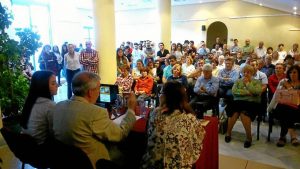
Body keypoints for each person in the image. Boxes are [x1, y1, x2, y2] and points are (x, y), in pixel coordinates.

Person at [52, 71, 137, 169]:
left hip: (65, 162)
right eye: (99, 88)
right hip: (95, 163)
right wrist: (131, 110)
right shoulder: (96, 113)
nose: (100, 91)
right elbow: (120, 134)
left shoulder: (58, 106)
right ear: (90, 92)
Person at [140, 81, 205, 169]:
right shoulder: (189, 119)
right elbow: (199, 139)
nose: (159, 95)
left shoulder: (154, 113)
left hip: (152, 164)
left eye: (161, 92)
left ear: (167, 97)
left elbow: (147, 137)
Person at [225, 65, 262, 148]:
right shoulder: (238, 81)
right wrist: (247, 93)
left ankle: (249, 137)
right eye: (244, 72)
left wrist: (248, 84)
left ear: (252, 73)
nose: (246, 74)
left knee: (244, 114)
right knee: (233, 112)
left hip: (251, 103)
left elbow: (257, 92)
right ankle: (228, 133)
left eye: (248, 72)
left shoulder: (257, 82)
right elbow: (234, 91)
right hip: (237, 102)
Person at [21, 71, 58, 145]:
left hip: (24, 145)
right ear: (43, 86)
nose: (57, 85)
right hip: (40, 148)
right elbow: (54, 132)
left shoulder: (29, 100)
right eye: (53, 83)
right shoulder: (50, 105)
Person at [268, 65, 300, 147]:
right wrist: (269, 108)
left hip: (297, 108)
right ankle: (292, 135)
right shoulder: (283, 81)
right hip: (282, 107)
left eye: (295, 72)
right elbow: (277, 96)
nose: (292, 74)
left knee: (288, 111)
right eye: (290, 72)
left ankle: (282, 136)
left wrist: (289, 88)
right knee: (285, 108)